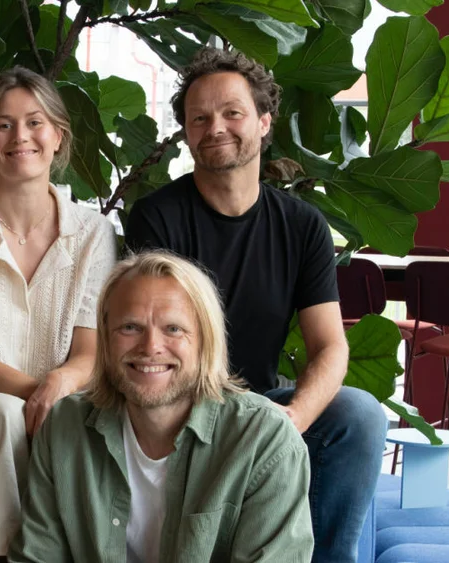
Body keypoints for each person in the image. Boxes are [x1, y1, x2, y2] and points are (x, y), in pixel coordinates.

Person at [124, 47, 386, 562]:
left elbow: (330, 347)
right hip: (179, 403)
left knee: (359, 415)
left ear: (264, 122)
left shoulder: (302, 225)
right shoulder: (157, 219)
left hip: (263, 405)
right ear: (186, 132)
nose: (215, 126)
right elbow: (157, 344)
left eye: (232, 113)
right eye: (199, 118)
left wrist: (291, 419)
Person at [0, 67, 117, 562]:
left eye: (34, 122)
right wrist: (43, 394)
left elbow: (90, 353)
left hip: (66, 399)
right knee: (2, 410)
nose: (20, 137)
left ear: (58, 135)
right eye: (3, 125)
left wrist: (58, 388)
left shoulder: (95, 233)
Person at [9, 251, 313, 562]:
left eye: (173, 329)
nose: (151, 346)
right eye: (130, 327)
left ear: (205, 340)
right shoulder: (65, 425)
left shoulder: (264, 440)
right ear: (105, 339)